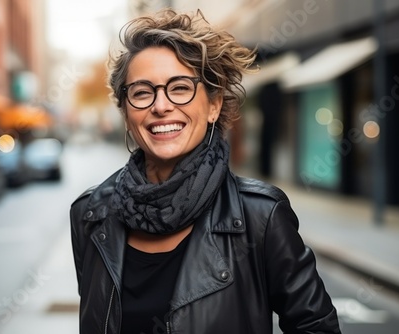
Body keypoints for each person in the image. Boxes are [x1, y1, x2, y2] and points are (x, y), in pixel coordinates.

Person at [70, 8, 341, 334]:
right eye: (142, 92)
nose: (160, 105)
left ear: (213, 105)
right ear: (126, 113)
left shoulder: (261, 217)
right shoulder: (90, 214)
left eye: (180, 87)